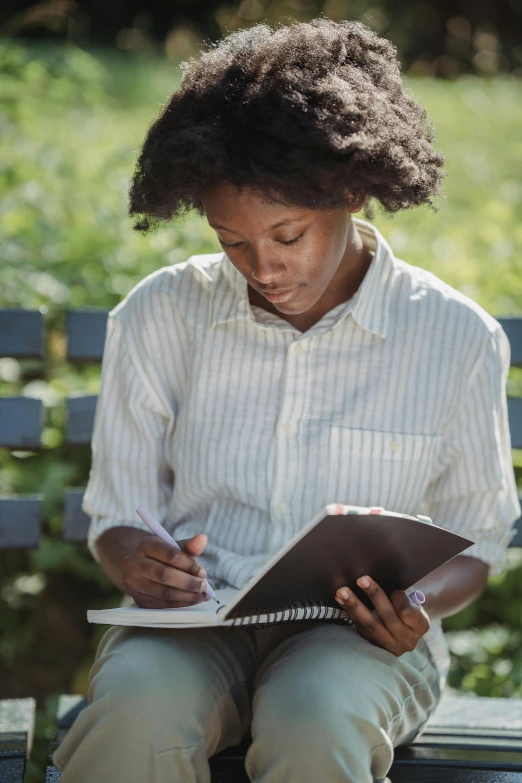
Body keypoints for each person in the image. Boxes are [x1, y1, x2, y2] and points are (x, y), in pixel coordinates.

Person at [52, 18, 520, 783]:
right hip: (193, 627)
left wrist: (419, 604)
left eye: (288, 233)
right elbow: (117, 519)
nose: (262, 267)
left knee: (314, 717)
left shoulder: (454, 336)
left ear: (352, 190)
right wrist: (137, 562)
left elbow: (477, 539)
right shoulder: (159, 313)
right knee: (135, 707)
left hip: (360, 640)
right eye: (232, 240)